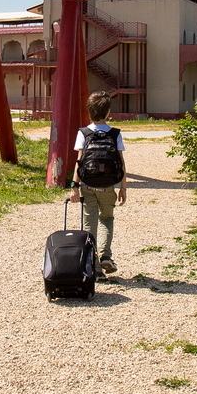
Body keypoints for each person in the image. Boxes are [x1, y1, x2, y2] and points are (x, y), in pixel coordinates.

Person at [71, 90, 127, 274]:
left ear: (89, 112)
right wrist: (123, 188)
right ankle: (106, 256)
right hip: (108, 186)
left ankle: (92, 262)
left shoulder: (84, 133)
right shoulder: (115, 134)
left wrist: (74, 187)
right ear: (108, 112)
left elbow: (79, 161)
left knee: (89, 222)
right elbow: (121, 162)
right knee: (107, 218)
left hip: (88, 185)